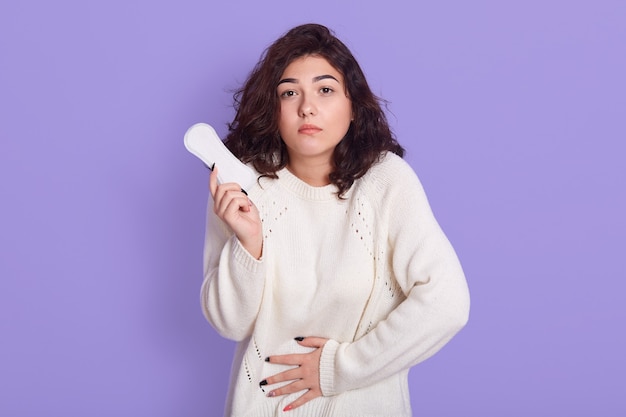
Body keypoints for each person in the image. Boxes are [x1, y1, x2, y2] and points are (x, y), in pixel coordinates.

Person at [201, 23, 470, 417]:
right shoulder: (240, 187)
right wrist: (249, 244)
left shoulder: (386, 182)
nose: (306, 106)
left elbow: (447, 303)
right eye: (289, 92)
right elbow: (229, 325)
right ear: (272, 109)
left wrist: (339, 369)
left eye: (325, 90)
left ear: (352, 105)